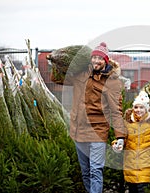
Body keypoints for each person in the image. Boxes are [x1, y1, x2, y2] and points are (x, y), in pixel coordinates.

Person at [54, 42, 127, 193]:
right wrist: (55, 60)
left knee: (95, 170)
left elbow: (116, 112)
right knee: (85, 172)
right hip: (78, 131)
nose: (96, 61)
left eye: (100, 59)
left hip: (97, 131)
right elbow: (57, 79)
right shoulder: (81, 74)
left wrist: (120, 136)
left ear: (106, 61)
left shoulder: (112, 82)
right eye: (94, 58)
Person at [112, 91, 150, 193]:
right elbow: (122, 139)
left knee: (142, 190)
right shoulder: (127, 123)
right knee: (132, 190)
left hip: (145, 164)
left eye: (141, 107)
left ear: (146, 108)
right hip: (130, 164)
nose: (138, 110)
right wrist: (116, 144)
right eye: (136, 107)